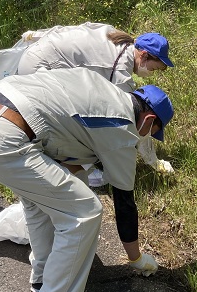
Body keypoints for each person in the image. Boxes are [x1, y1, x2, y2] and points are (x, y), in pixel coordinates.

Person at [0, 68, 173, 292]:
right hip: (4, 133)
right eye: (153, 131)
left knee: (49, 199)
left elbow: (64, 150)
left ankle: (44, 279)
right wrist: (137, 259)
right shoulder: (122, 127)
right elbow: (124, 202)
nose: (147, 137)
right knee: (84, 212)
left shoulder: (103, 91)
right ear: (148, 119)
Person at [17, 23, 175, 182]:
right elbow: (131, 120)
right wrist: (154, 162)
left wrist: (36, 35)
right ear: (144, 56)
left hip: (37, 51)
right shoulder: (119, 69)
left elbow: (76, 29)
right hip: (39, 70)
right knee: (76, 119)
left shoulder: (117, 37)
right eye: (153, 69)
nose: (150, 74)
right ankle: (78, 169)